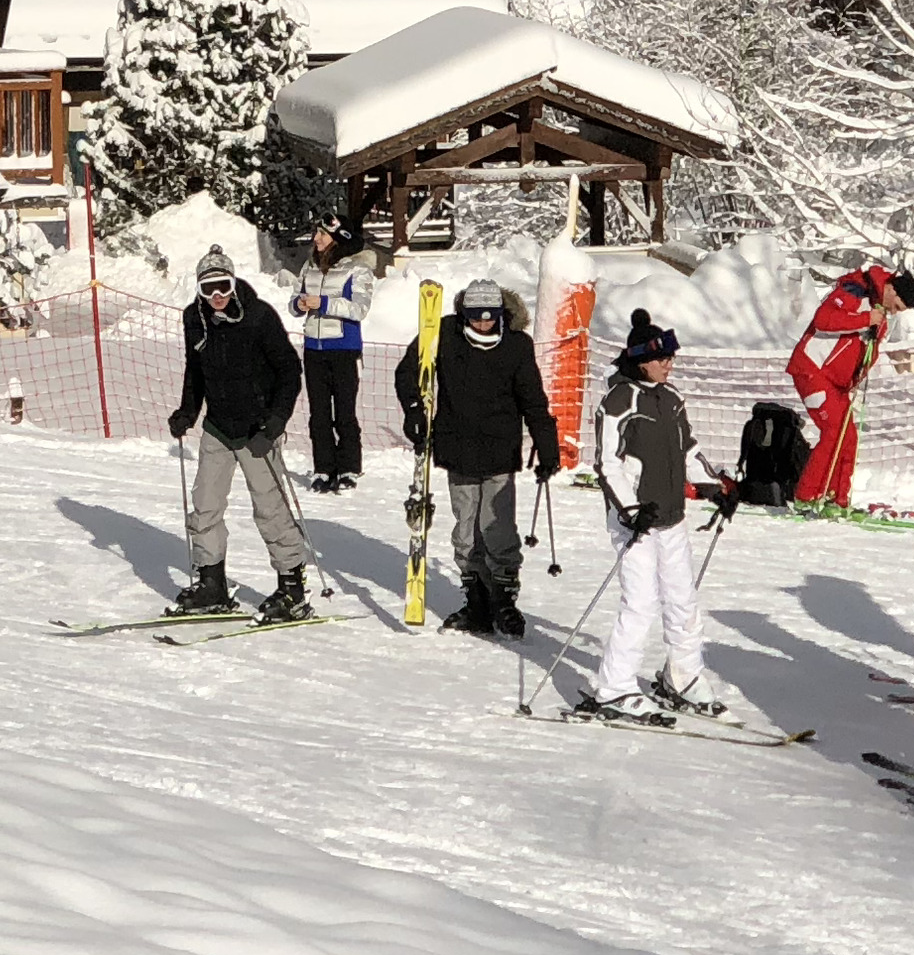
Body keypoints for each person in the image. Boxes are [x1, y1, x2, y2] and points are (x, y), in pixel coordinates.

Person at [396, 281, 562, 634]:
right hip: (457, 448)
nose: (483, 324)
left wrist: (546, 444)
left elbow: (532, 397)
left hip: (500, 450)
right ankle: (477, 601)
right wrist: (414, 409)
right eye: (475, 318)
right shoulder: (444, 333)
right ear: (464, 314)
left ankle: (504, 601)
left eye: (490, 318)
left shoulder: (517, 345)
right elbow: (407, 372)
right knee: (466, 530)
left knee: (497, 528)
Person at [591, 313, 727, 715]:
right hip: (635, 522)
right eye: (663, 358)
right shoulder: (618, 401)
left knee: (683, 600)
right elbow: (608, 464)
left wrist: (715, 487)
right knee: (641, 603)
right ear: (640, 360)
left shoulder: (671, 399)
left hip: (671, 516)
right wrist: (630, 509)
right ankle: (614, 687)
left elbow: (688, 452)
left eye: (671, 358)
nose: (670, 364)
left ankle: (683, 678)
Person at [166, 246, 310, 621]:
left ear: (234, 284)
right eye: (209, 288)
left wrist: (275, 423)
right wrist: (187, 411)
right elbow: (195, 370)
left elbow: (290, 371)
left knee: (270, 507)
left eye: (223, 287)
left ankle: (291, 587)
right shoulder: (194, 319)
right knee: (206, 503)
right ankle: (211, 581)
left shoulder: (259, 317)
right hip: (219, 427)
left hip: (257, 429)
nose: (217, 296)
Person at [789, 265, 914, 514]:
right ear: (892, 290)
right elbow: (823, 320)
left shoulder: (880, 317)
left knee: (849, 438)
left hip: (838, 384)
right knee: (833, 431)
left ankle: (836, 499)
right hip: (812, 370)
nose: (894, 312)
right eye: (897, 306)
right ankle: (807, 496)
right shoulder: (856, 290)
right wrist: (864, 320)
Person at [292, 220, 369, 490]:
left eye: (322, 234)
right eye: (316, 233)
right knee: (319, 413)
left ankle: (349, 467)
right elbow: (295, 300)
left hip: (344, 349)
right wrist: (298, 303)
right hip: (314, 348)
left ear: (337, 238)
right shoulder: (309, 266)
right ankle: (323, 468)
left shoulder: (357, 269)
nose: (316, 238)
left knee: (345, 412)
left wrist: (323, 303)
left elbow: (359, 309)